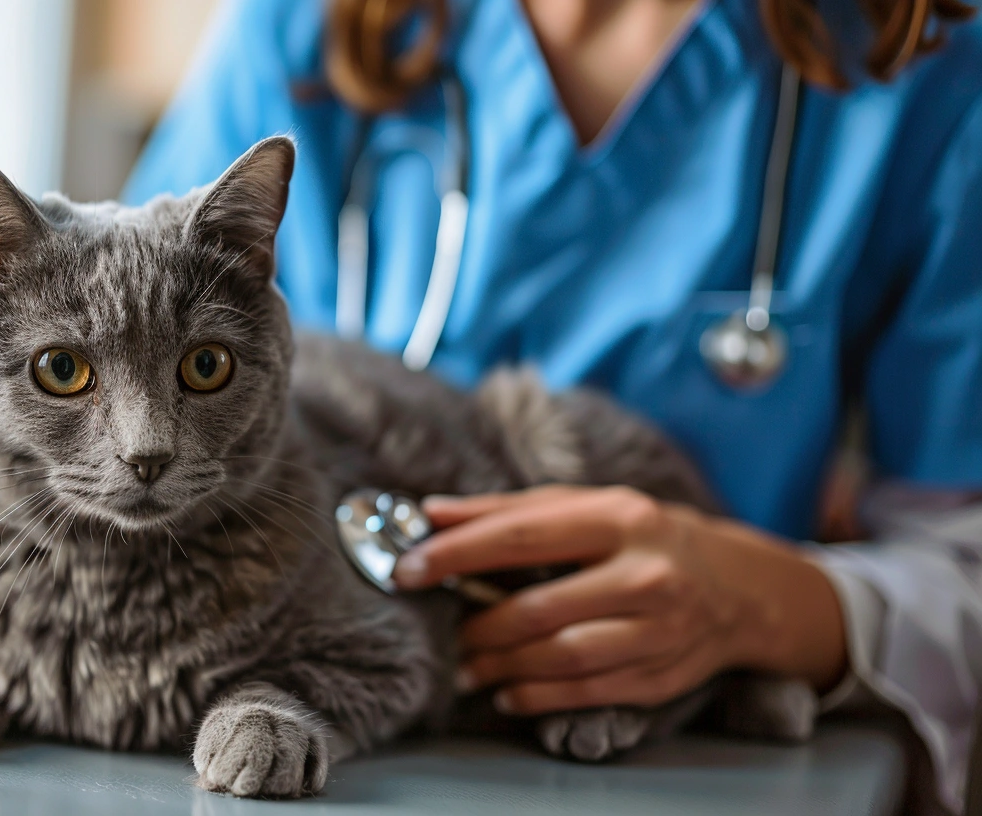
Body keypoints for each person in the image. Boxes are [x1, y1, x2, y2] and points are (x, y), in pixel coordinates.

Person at [123, 0, 982, 811]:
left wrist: (784, 608)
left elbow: (963, 562)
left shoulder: (923, 66)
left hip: (682, 770)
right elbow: (119, 386)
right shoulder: (304, 26)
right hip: (335, 748)